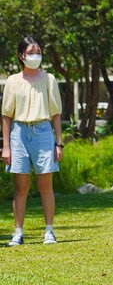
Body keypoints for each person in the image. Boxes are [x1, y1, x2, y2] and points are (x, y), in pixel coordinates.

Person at [2, 36, 63, 246]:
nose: (35, 56)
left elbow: (56, 113)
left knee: (46, 185)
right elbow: (6, 115)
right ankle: (18, 232)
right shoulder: (12, 81)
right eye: (31, 52)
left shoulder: (49, 79)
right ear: (21, 56)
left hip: (43, 132)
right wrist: (6, 147)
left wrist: (58, 142)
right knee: (21, 187)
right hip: (19, 133)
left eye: (38, 52)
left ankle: (49, 231)